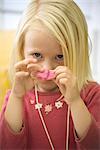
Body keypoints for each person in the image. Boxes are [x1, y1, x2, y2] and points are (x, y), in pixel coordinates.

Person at [0, 0, 100, 149]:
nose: (47, 68)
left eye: (60, 57)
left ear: (78, 52)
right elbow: (7, 146)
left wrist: (75, 101)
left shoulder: (91, 94)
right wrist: (17, 96)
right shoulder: (16, 97)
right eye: (37, 55)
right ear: (22, 51)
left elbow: (94, 145)